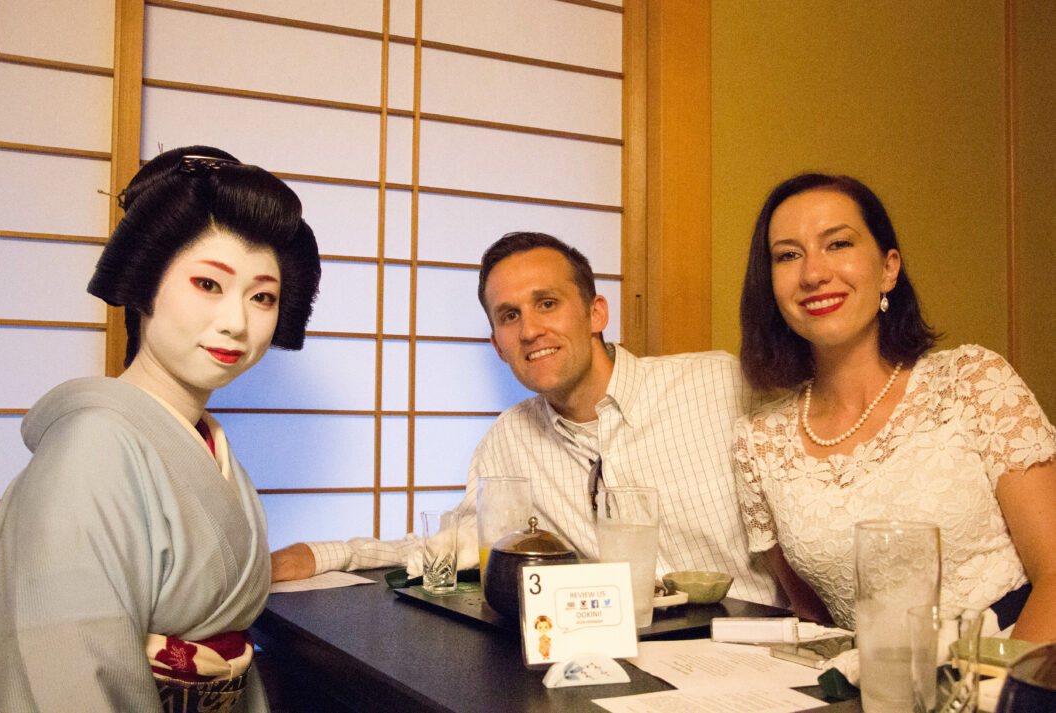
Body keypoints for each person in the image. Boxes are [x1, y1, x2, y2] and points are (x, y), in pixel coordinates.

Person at [272, 232, 780, 608]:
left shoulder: (719, 384)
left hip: (757, 653)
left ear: (596, 312)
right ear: (496, 343)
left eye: (548, 303)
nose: (531, 329)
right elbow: (457, 545)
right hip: (624, 662)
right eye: (509, 316)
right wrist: (329, 554)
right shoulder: (511, 438)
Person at [0, 145, 321, 711]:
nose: (236, 323)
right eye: (208, 285)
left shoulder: (204, 444)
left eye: (262, 296)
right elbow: (70, 670)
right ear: (145, 283)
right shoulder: (89, 449)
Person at [734, 173, 1056, 641]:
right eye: (788, 255)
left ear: (888, 268)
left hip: (1015, 668)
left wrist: (995, 695)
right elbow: (814, 620)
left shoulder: (972, 380)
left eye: (838, 244)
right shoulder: (759, 441)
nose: (813, 273)